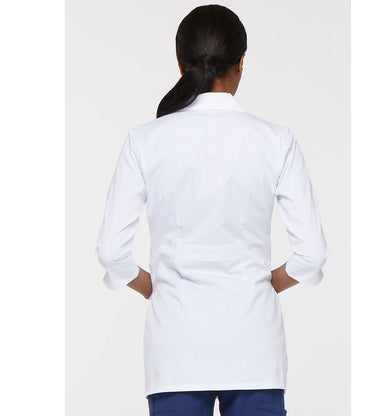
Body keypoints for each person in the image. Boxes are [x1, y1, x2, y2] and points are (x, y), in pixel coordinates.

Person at [95, 4, 328, 416]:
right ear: (241, 63)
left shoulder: (145, 141)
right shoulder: (276, 141)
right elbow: (312, 255)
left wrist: (155, 287)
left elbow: (112, 253)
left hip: (175, 351)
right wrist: (265, 283)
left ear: (180, 65)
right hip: (255, 350)